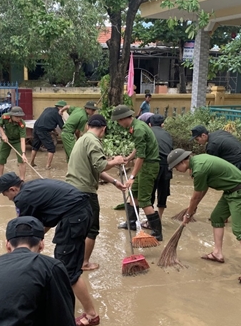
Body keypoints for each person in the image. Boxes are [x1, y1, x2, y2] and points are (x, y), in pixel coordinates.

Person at [0, 172, 100, 326]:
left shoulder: (22, 198)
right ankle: (62, 300)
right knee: (64, 261)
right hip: (80, 213)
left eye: (6, 195)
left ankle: (91, 315)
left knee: (68, 269)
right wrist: (35, 242)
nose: (9, 199)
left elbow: (24, 229)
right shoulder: (33, 188)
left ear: (12, 189)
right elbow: (44, 222)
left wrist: (17, 249)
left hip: (75, 218)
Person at [168, 149, 241, 283]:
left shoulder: (199, 169)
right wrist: (193, 209)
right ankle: (217, 253)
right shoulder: (199, 161)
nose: (176, 169)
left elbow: (195, 195)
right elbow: (202, 189)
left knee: (238, 229)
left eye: (176, 166)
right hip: (230, 191)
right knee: (217, 217)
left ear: (183, 161)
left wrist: (188, 213)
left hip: (240, 192)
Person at [65, 114, 126, 271]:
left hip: (71, 190)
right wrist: (116, 161)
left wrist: (114, 182)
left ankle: (73, 259)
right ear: (103, 129)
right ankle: (84, 263)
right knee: (92, 229)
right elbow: (101, 166)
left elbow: (94, 169)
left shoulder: (82, 140)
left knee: (78, 227)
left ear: (87, 126)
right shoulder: (94, 141)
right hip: (85, 192)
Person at [111, 105, 163, 241]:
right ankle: (131, 223)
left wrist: (132, 176)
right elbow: (139, 147)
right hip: (145, 164)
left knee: (145, 200)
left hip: (149, 166)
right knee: (133, 194)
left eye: (118, 121)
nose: (118, 124)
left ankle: (157, 233)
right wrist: (129, 157)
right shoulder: (136, 125)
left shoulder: (138, 129)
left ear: (123, 118)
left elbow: (142, 156)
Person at [29, 100, 68, 169]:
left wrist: (54, 130)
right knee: (51, 148)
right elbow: (62, 126)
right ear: (61, 108)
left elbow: (47, 120)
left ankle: (31, 163)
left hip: (36, 127)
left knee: (35, 146)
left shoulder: (48, 109)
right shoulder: (57, 114)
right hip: (44, 130)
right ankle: (48, 166)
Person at [148, 114, 173, 219]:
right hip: (168, 165)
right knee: (163, 193)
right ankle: (159, 218)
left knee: (150, 192)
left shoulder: (148, 132)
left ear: (149, 124)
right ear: (162, 125)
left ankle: (151, 219)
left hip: (154, 165)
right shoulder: (168, 135)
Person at [0, 106, 28, 179]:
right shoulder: (5, 117)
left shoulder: (22, 124)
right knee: (1, 159)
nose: (18, 118)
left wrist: (23, 153)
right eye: (16, 117)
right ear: (11, 116)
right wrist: (3, 135)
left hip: (17, 141)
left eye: (20, 117)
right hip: (6, 140)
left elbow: (22, 140)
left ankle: (22, 179)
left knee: (22, 160)